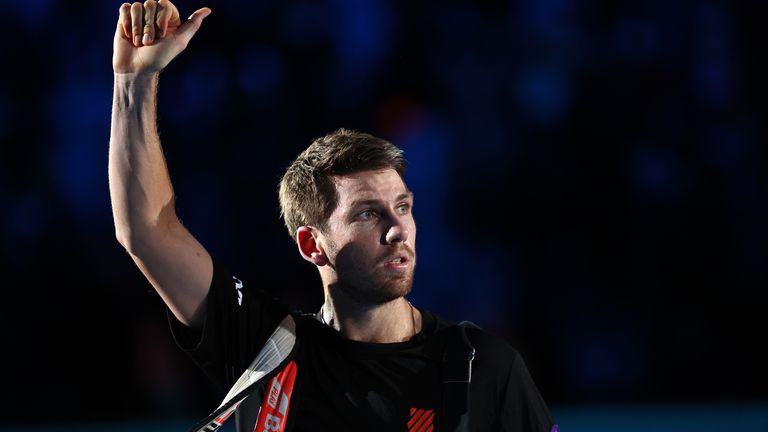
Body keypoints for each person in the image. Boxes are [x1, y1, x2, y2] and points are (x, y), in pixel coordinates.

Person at [109, 2, 558, 431]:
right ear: (312, 244)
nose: (397, 229)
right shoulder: (269, 351)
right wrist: (134, 80)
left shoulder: (486, 367)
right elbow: (149, 231)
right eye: (368, 213)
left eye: (402, 207)